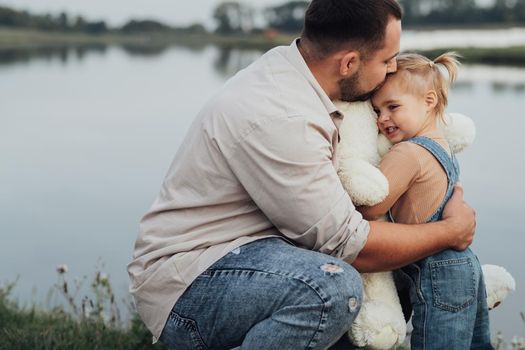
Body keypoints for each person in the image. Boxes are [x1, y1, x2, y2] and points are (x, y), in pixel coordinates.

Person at [127, 1, 476, 349]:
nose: (392, 69)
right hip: (193, 280)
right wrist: (449, 231)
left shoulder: (305, 76)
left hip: (263, 254)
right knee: (330, 289)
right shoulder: (281, 115)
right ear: (349, 62)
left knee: (411, 269)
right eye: (387, 60)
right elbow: (351, 247)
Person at [360, 52, 492, 349]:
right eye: (376, 111)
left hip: (437, 268)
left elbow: (372, 206)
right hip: (465, 263)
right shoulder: (443, 146)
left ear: (429, 100)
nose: (383, 119)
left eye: (392, 107)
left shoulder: (407, 153)